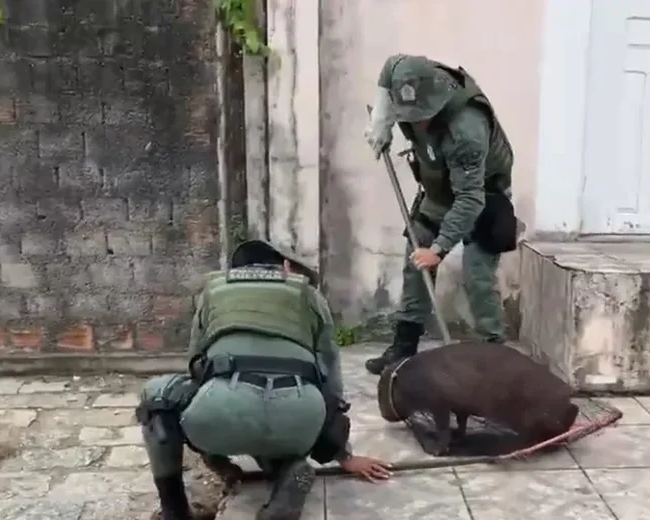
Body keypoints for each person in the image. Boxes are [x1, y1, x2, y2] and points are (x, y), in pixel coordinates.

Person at [135, 239, 392, 520]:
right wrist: (345, 455)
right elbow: (332, 381)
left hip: (223, 412)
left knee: (157, 396)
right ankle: (288, 470)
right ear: (284, 266)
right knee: (281, 421)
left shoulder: (213, 292)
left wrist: (212, 450)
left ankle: (175, 511)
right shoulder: (309, 295)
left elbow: (195, 364)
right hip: (299, 418)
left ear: (235, 272)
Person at [363, 54, 518, 375]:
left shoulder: (466, 131)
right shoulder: (403, 75)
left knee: (477, 276)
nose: (416, 123)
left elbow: (469, 199)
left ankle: (492, 356)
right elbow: (389, 65)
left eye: (421, 116)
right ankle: (404, 347)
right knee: (415, 259)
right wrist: (381, 120)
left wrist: (439, 249)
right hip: (436, 189)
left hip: (482, 194)